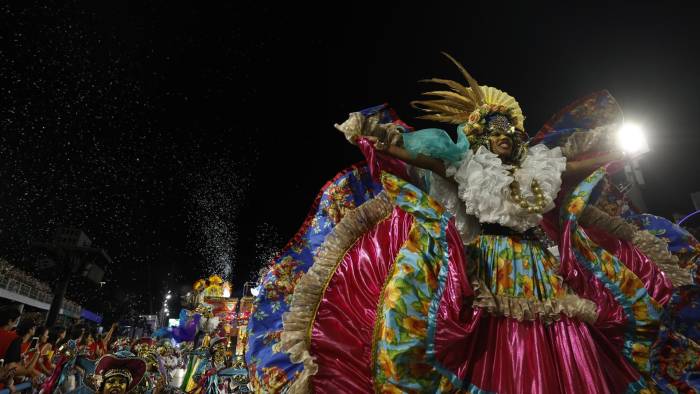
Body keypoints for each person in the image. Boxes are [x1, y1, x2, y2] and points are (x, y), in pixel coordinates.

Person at [246, 53, 694, 393]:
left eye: (507, 130)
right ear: (480, 138)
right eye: (492, 131)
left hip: (539, 266)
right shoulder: (467, 169)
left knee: (558, 339)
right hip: (489, 264)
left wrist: (615, 149)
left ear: (517, 135)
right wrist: (380, 138)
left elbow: (581, 164)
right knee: (494, 345)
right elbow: (417, 159)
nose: (501, 136)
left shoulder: (543, 167)